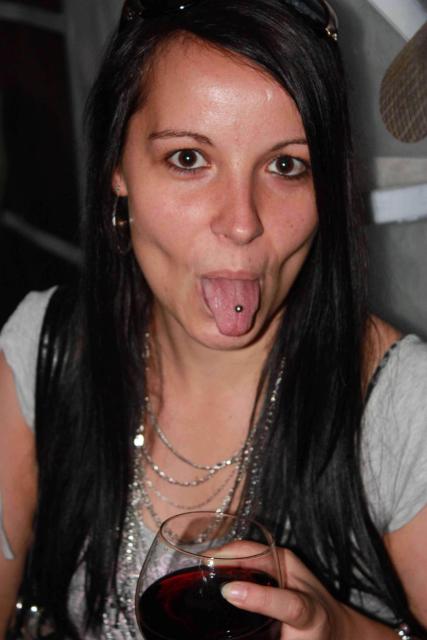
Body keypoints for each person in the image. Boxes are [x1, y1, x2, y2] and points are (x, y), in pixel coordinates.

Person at [1, 0, 427, 638]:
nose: (241, 221)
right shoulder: (44, 351)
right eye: (188, 159)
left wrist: (341, 630)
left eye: (286, 165)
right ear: (118, 167)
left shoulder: (404, 403)